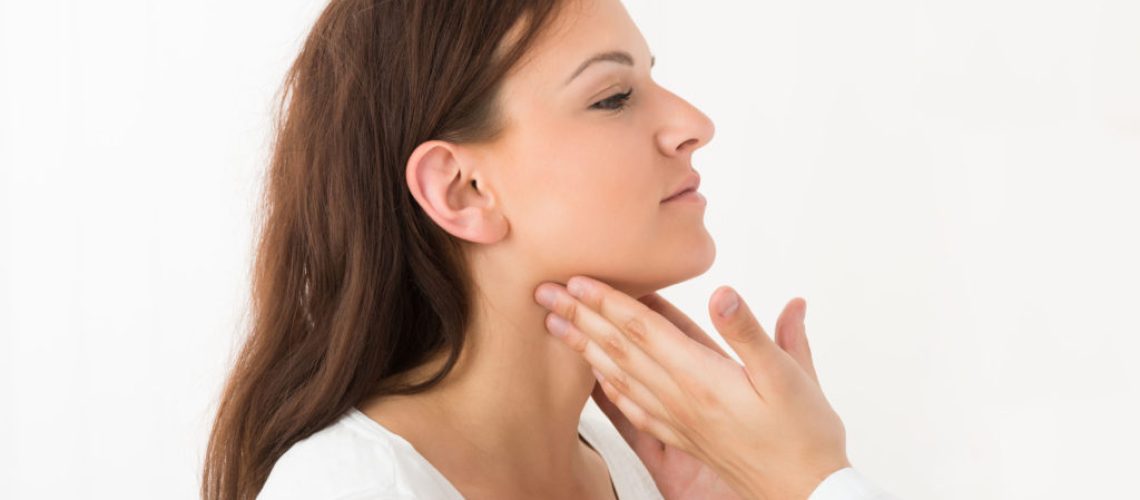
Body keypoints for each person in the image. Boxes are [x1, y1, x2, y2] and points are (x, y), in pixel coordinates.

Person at [201, 0, 897, 498]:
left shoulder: (636, 471)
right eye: (615, 96)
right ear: (463, 190)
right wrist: (810, 480)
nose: (693, 124)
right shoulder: (354, 489)